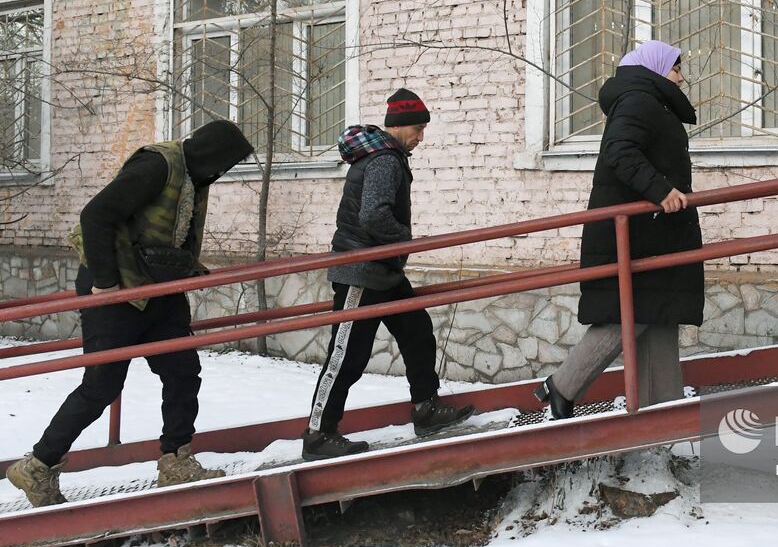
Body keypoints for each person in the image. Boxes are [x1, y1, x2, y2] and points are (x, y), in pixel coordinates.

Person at [6, 120, 254, 507]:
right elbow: (96, 215)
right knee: (102, 385)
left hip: (157, 289)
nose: (224, 174)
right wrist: (105, 283)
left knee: (182, 371)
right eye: (226, 164)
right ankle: (37, 466)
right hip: (115, 290)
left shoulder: (193, 177)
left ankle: (176, 459)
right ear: (212, 156)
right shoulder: (157, 166)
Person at [533, 40, 703, 418]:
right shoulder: (638, 101)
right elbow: (620, 151)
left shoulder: (647, 101)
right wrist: (661, 190)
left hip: (651, 233)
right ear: (656, 68)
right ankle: (562, 385)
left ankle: (663, 416)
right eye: (676, 69)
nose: (681, 77)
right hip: (638, 235)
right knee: (633, 312)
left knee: (658, 314)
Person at [302, 89, 473, 460]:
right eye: (417, 128)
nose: (421, 137)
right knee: (346, 357)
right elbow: (373, 216)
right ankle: (318, 434)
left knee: (417, 332)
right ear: (397, 126)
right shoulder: (385, 161)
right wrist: (405, 239)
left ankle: (426, 409)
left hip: (385, 272)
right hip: (361, 272)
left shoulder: (386, 156)